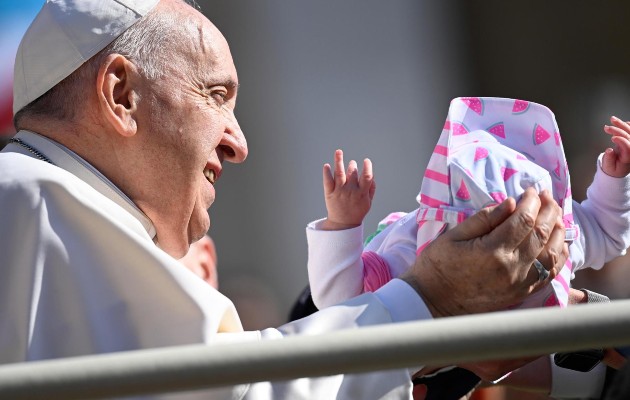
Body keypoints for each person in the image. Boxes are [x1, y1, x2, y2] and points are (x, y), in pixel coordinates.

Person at [0, 1, 568, 399]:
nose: (240, 143)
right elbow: (238, 396)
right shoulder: (39, 200)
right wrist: (431, 300)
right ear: (122, 94)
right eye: (215, 95)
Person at [306, 97, 630, 398]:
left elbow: (337, 302)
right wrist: (615, 179)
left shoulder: (407, 264)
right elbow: (606, 231)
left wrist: (343, 224)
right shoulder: (549, 247)